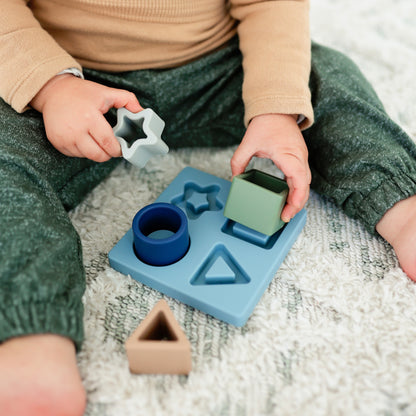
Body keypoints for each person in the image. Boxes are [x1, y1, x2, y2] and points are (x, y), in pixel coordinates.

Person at [1, 0, 415, 414]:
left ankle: (401, 202)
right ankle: (29, 329)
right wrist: (49, 86)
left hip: (219, 68)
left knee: (324, 80)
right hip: (74, 80)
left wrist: (275, 107)